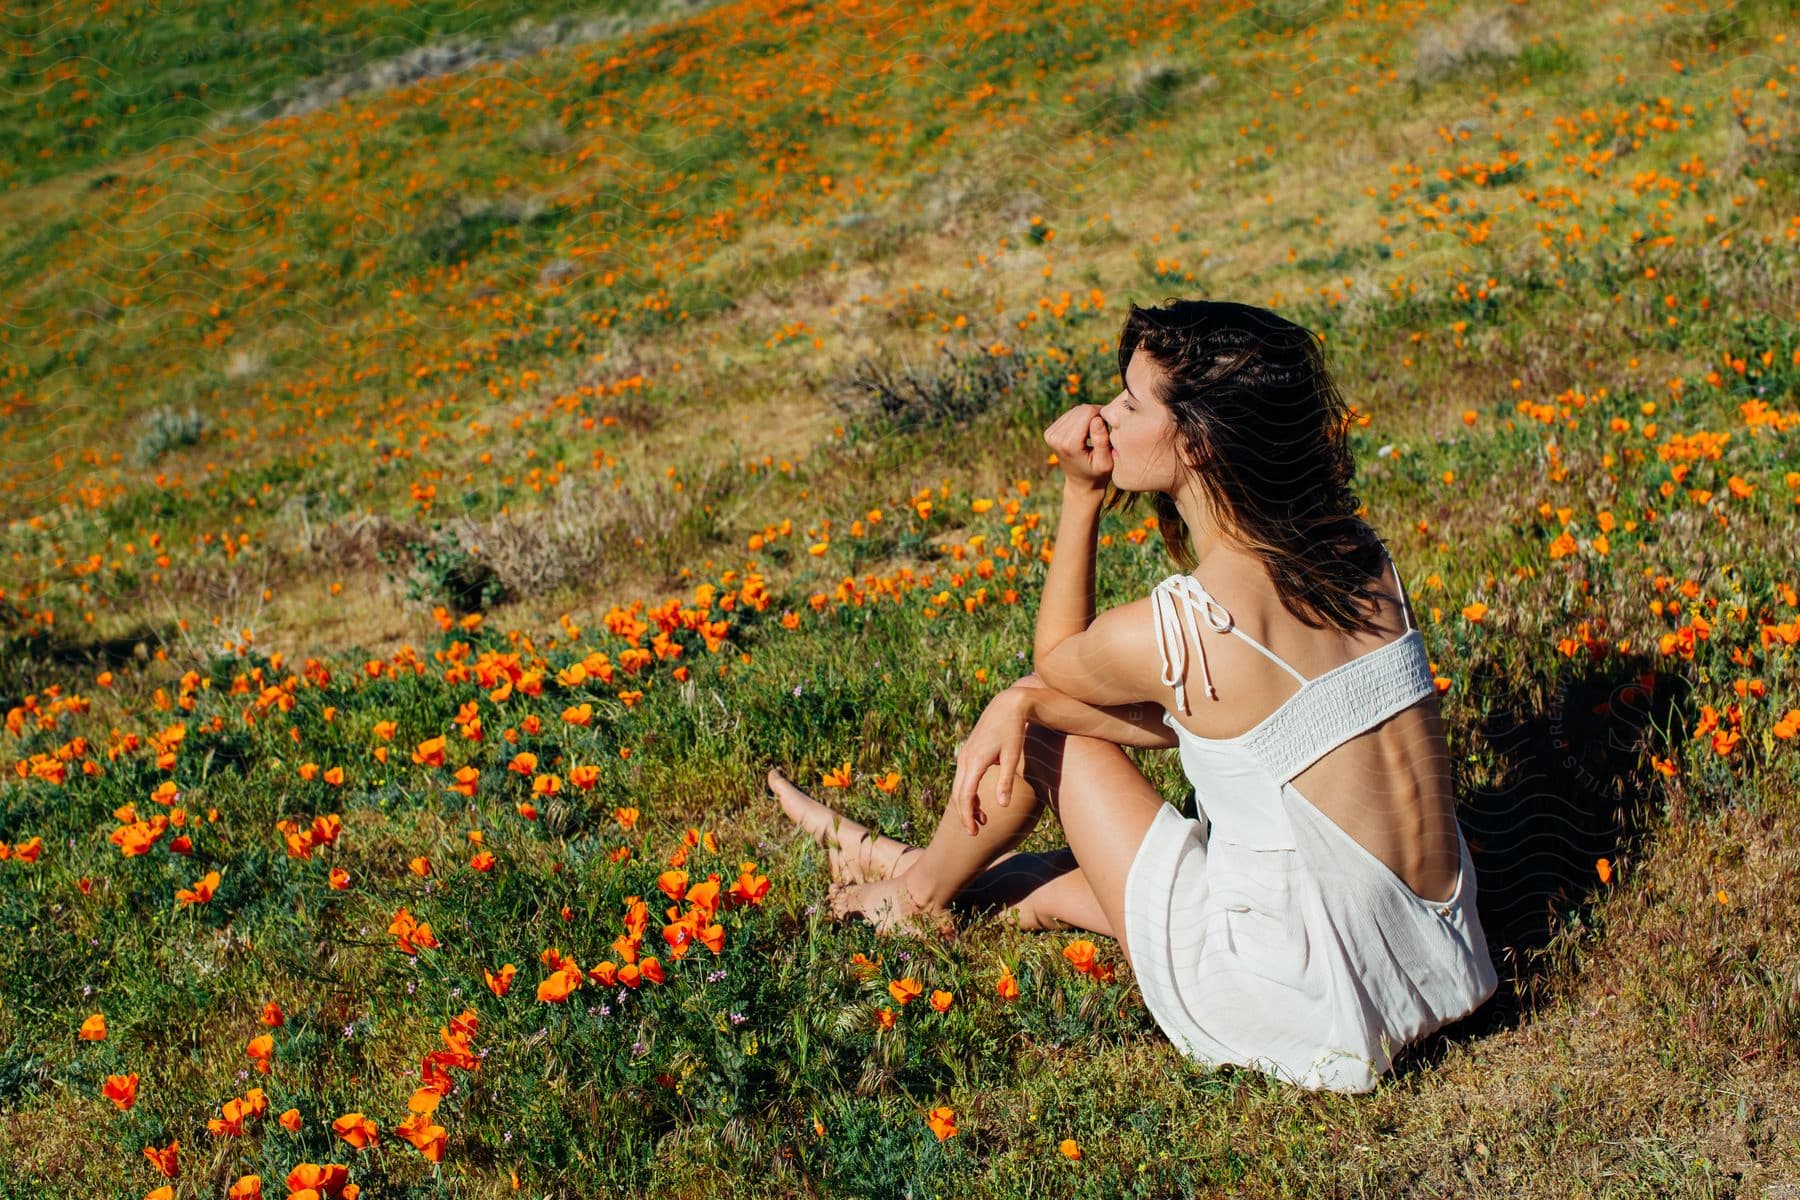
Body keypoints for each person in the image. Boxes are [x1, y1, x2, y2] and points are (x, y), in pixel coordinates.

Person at [770, 298, 1498, 1093]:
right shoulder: (1359, 556)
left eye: (1129, 402)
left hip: (1303, 1004)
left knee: (1041, 728)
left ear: (1197, 441)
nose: (1103, 418)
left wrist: (1078, 497)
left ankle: (911, 895)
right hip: (1436, 958)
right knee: (1055, 785)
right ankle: (956, 878)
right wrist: (1029, 702)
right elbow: (1225, 731)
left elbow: (1055, 665)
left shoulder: (1184, 626)